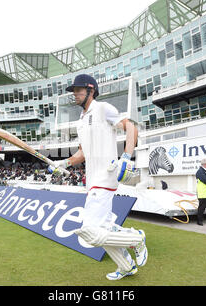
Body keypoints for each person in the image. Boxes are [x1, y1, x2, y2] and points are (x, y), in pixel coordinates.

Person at [50, 74, 147, 281]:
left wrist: (127, 157)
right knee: (100, 230)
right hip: (92, 180)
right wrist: (63, 163)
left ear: (91, 90)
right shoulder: (81, 122)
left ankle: (136, 238)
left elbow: (131, 127)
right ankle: (126, 265)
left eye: (78, 90)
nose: (74, 94)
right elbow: (81, 154)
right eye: (73, 91)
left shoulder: (103, 108)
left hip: (106, 177)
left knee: (91, 232)